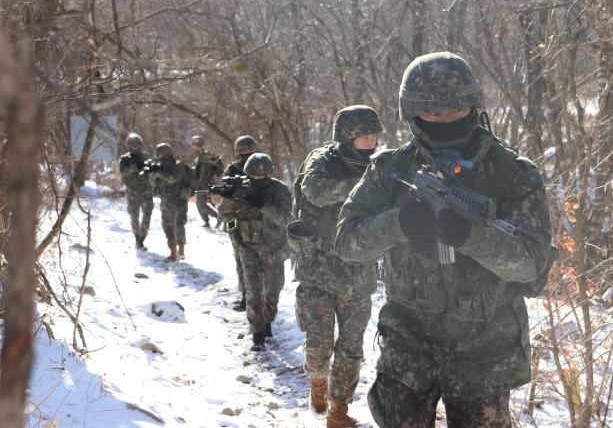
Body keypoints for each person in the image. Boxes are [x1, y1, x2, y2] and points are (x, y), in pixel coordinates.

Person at [334, 52, 554, 428]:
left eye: (457, 112)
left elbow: (532, 264)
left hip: (485, 345)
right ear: (413, 115)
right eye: (433, 115)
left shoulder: (512, 174)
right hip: (409, 336)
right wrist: (398, 224)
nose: (446, 121)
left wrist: (472, 237)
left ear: (474, 106)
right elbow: (347, 242)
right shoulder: (390, 170)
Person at [288, 105, 381, 428]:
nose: (371, 143)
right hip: (319, 270)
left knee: (351, 348)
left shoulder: (377, 167)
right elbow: (316, 192)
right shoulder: (322, 162)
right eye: (364, 137)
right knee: (320, 343)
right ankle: (317, 381)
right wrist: (362, 184)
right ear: (346, 137)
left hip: (359, 272)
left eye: (374, 137)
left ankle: (339, 410)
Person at [218, 153, 291, 352]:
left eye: (262, 177)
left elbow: (285, 219)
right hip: (248, 246)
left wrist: (262, 205)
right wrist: (233, 200)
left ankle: (267, 321)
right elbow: (224, 215)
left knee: (273, 291)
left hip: (274, 248)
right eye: (253, 177)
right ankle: (257, 332)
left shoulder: (279, 190)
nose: (257, 180)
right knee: (253, 291)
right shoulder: (240, 187)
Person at [222, 135, 258, 311]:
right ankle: (258, 297)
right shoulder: (263, 163)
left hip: (239, 220)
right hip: (261, 221)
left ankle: (247, 297)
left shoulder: (233, 168)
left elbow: (226, 195)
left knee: (242, 259)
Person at [148, 143, 194, 262]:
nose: (159, 156)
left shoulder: (178, 165)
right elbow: (153, 184)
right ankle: (173, 252)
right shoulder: (158, 166)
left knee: (179, 224)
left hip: (179, 200)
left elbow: (174, 179)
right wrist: (153, 174)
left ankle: (181, 250)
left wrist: (159, 174)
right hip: (166, 201)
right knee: (167, 226)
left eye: (160, 153)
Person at [118, 132, 153, 250]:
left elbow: (154, 172)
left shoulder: (147, 157)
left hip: (146, 191)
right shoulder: (125, 159)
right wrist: (134, 167)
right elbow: (123, 172)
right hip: (132, 192)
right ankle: (137, 237)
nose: (138, 147)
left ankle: (142, 238)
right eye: (135, 145)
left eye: (139, 145)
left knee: (147, 215)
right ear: (130, 146)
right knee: (134, 216)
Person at [190, 135, 224, 228]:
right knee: (200, 204)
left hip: (205, 184)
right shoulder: (200, 156)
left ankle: (218, 217)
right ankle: (206, 221)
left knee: (201, 204)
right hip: (201, 184)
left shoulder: (206, 156)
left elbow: (218, 171)